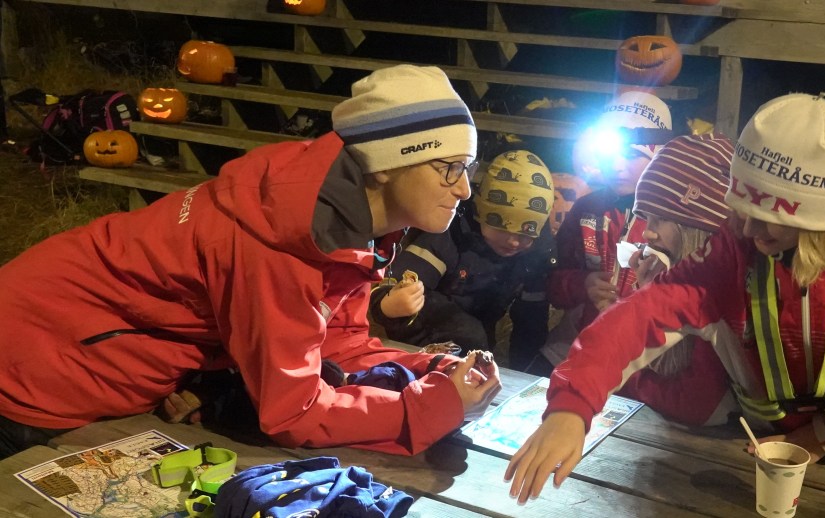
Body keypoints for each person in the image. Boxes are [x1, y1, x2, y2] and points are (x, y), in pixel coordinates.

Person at [0, 64, 502, 459]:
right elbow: (294, 413)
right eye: (449, 167)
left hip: (82, 354)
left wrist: (432, 368)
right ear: (387, 165)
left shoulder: (339, 221)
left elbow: (338, 342)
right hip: (38, 365)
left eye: (468, 168)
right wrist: (438, 405)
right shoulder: (281, 243)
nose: (464, 188)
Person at [504, 93, 825, 503]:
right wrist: (573, 404)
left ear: (815, 216)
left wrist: (824, 436)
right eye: (740, 208)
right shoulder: (735, 247)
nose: (746, 229)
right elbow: (643, 314)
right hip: (760, 452)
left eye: (766, 216)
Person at [368, 149, 556, 371]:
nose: (514, 242)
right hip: (421, 330)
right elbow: (399, 280)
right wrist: (386, 306)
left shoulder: (534, 257)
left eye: (526, 235)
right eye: (502, 229)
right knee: (470, 333)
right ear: (481, 213)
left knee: (485, 343)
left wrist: (526, 375)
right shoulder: (451, 235)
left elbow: (531, 322)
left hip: (479, 332)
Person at [537, 90, 673, 372]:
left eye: (632, 155)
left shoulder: (674, 221)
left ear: (658, 158)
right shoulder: (586, 209)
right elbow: (552, 281)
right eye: (608, 155)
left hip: (646, 358)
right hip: (578, 345)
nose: (616, 166)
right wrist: (583, 284)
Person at [615, 133, 738, 427]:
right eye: (647, 218)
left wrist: (627, 379)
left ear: (698, 228)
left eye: (661, 218)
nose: (647, 232)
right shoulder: (669, 276)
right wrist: (644, 293)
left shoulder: (720, 296)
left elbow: (697, 405)